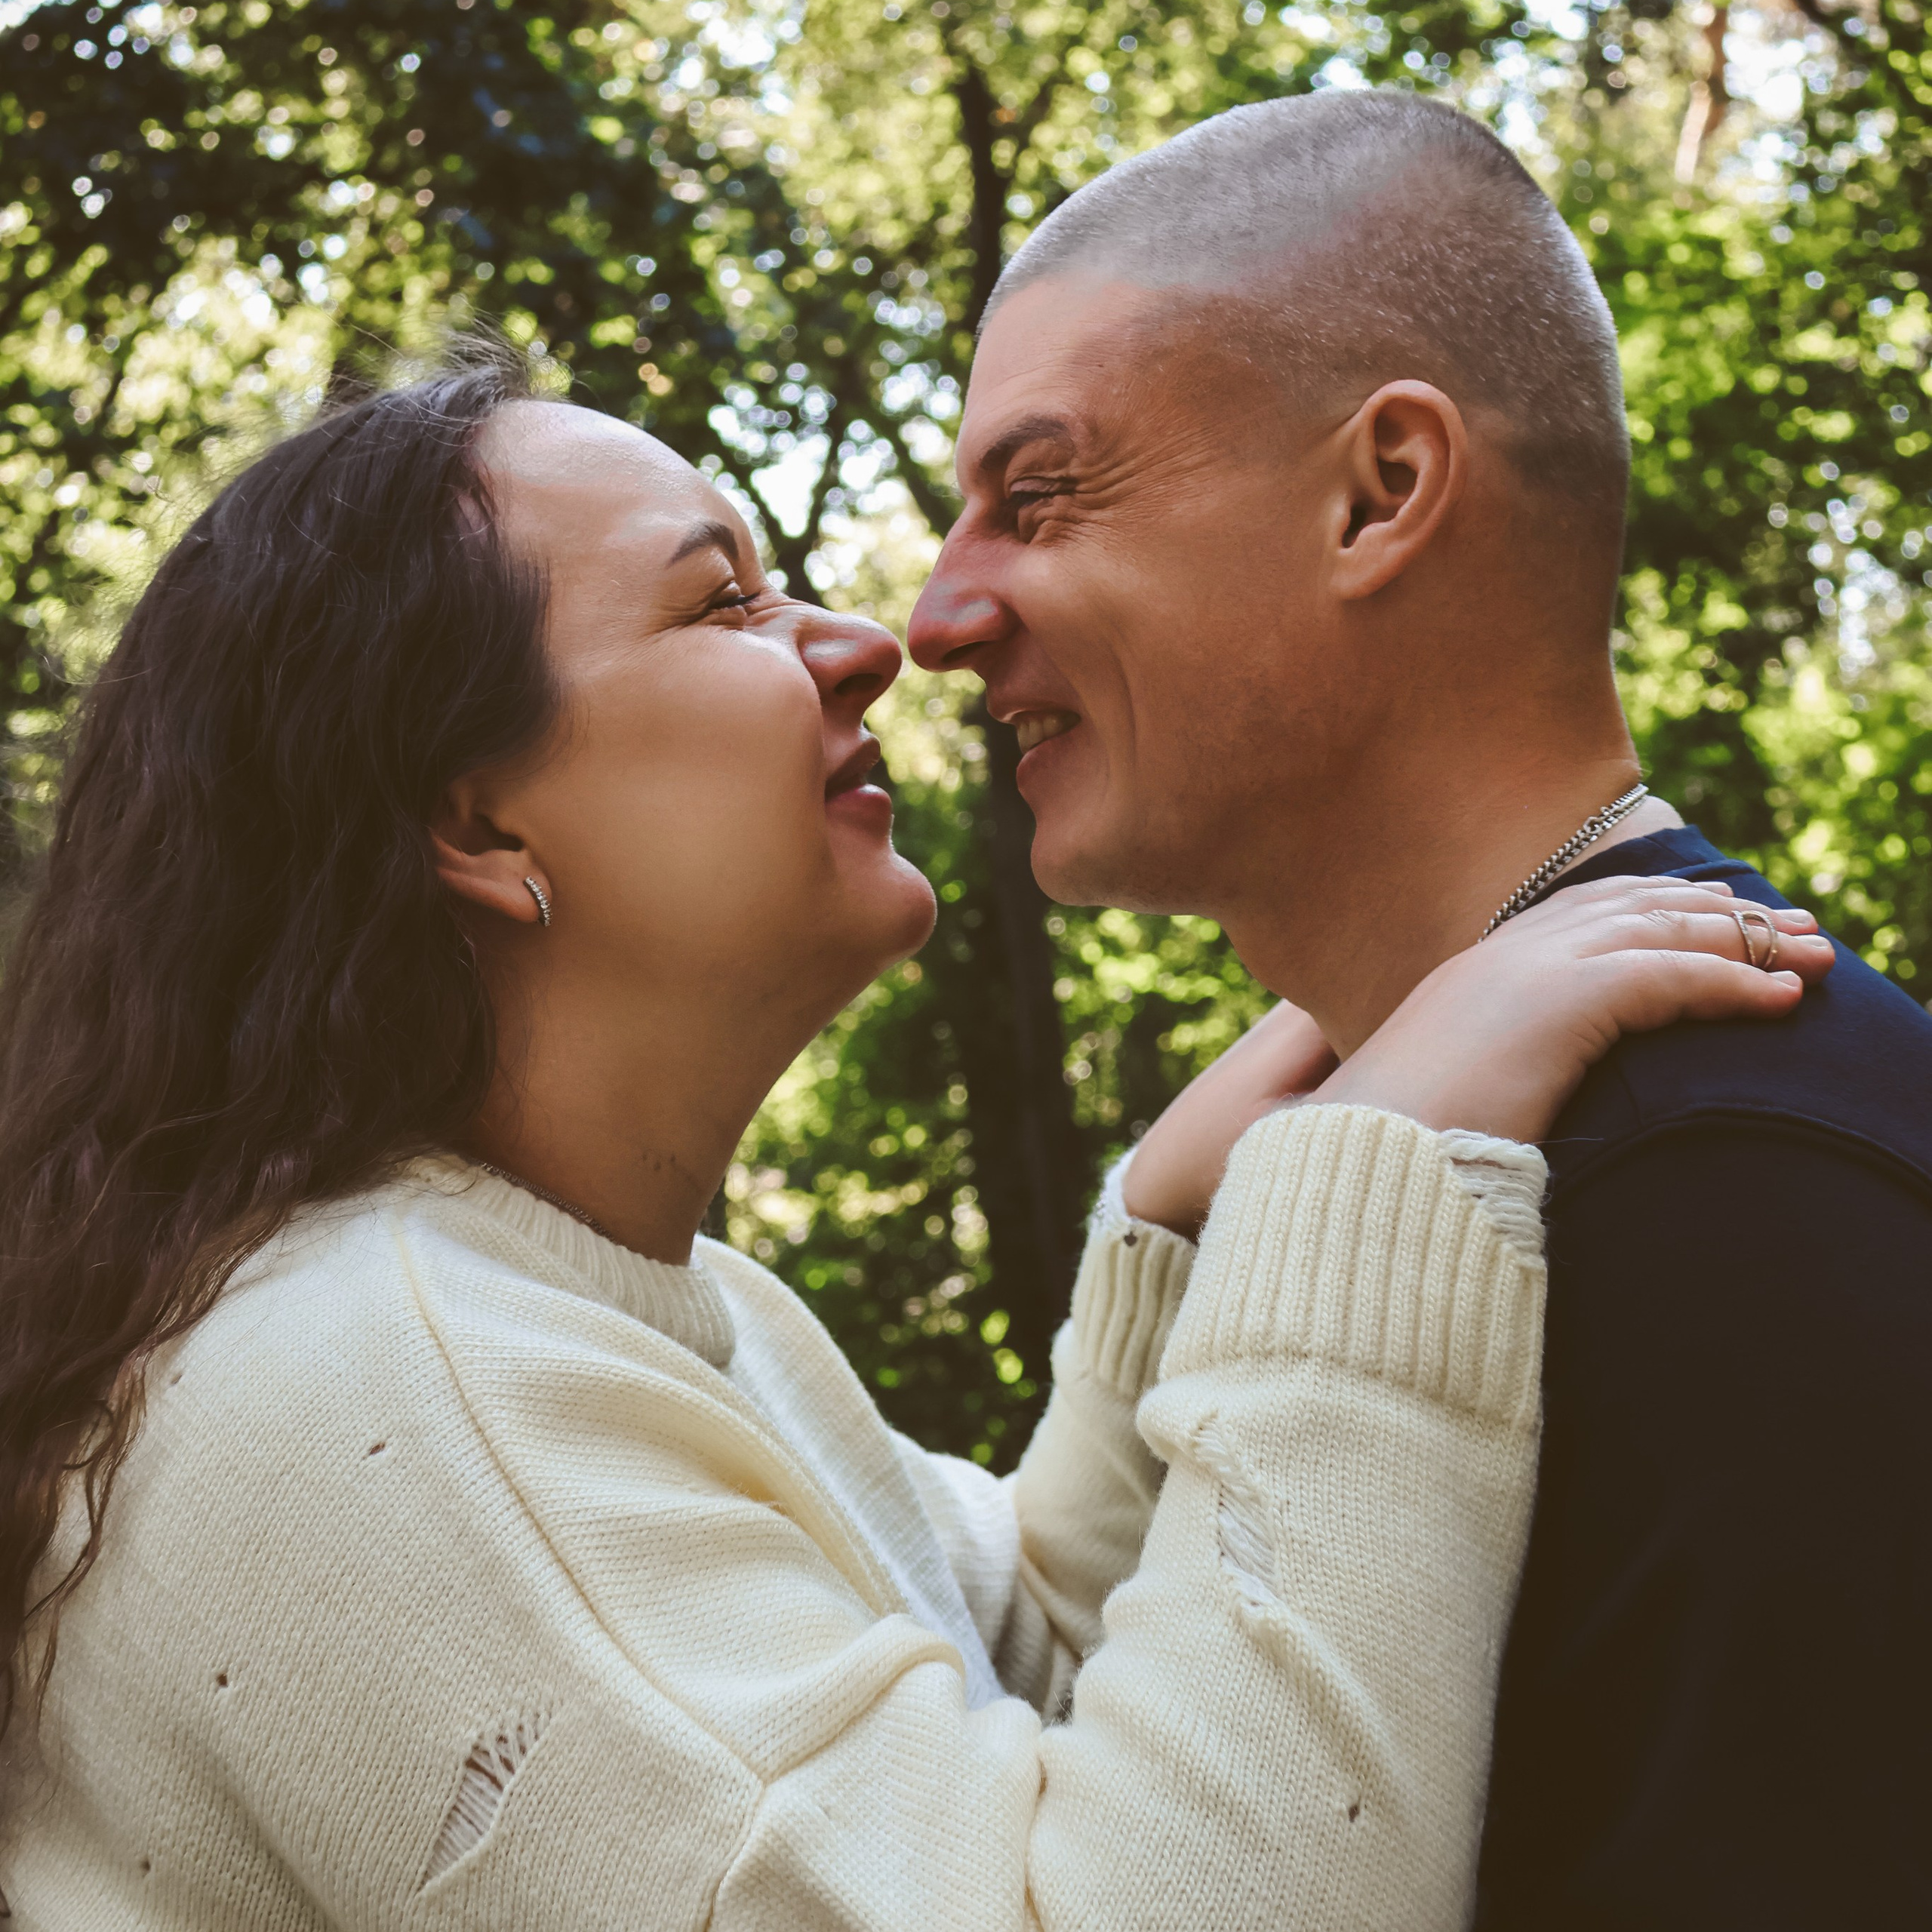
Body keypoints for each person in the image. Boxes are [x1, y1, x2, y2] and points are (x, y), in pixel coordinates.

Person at [0, 350, 1826, 1927]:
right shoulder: (385, 1382)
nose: (868, 642)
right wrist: (1374, 1178)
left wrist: (1169, 1229)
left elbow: (1011, 1647)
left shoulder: (660, 1311)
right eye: (720, 604)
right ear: (477, 823)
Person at [908, 88, 1932, 1931]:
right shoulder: (1363, 1192)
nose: (933, 615)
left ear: (1377, 492)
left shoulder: (1734, 1201)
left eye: (1036, 496)